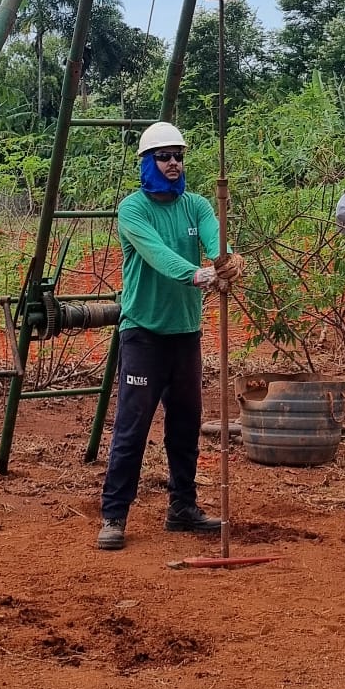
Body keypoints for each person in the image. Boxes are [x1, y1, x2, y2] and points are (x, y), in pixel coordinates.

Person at [97, 121, 245, 551]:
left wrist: (227, 261)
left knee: (185, 424)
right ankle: (114, 514)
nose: (174, 163)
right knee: (132, 427)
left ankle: (183, 507)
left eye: (178, 155)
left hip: (186, 335)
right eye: (164, 156)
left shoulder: (197, 206)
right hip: (143, 335)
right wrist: (198, 274)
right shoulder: (133, 210)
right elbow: (157, 254)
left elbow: (216, 240)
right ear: (147, 162)